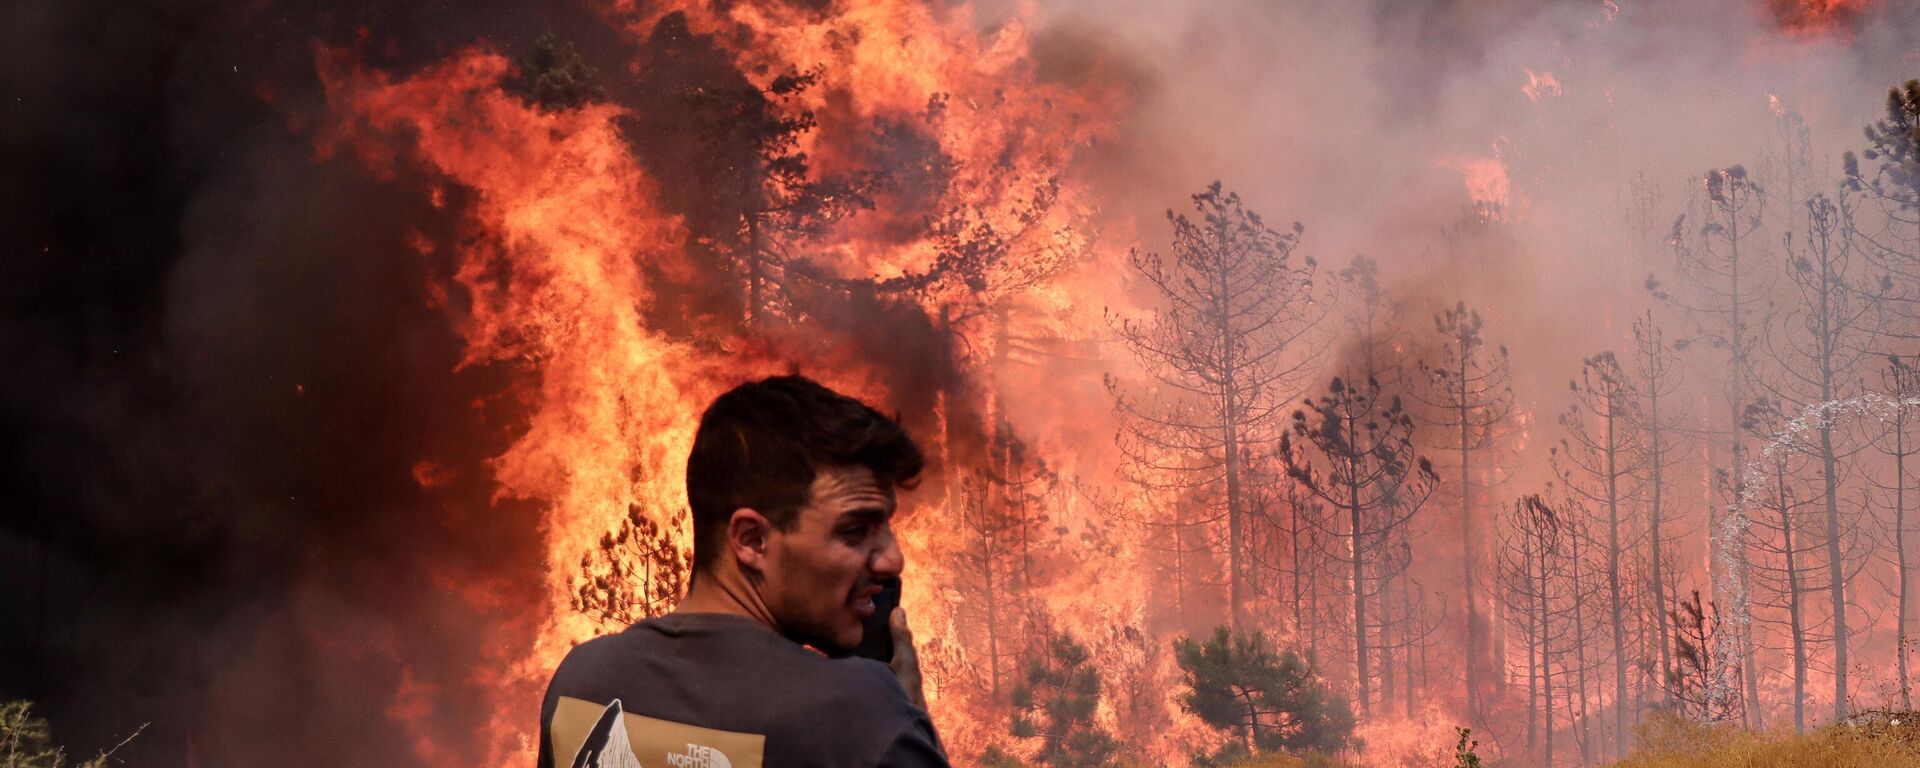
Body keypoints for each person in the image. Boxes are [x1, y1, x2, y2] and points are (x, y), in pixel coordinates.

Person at [536, 375, 948, 768]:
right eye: (855, 530)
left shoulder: (581, 680)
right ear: (751, 540)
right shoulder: (859, 715)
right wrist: (905, 713)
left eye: (886, 526)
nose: (892, 560)